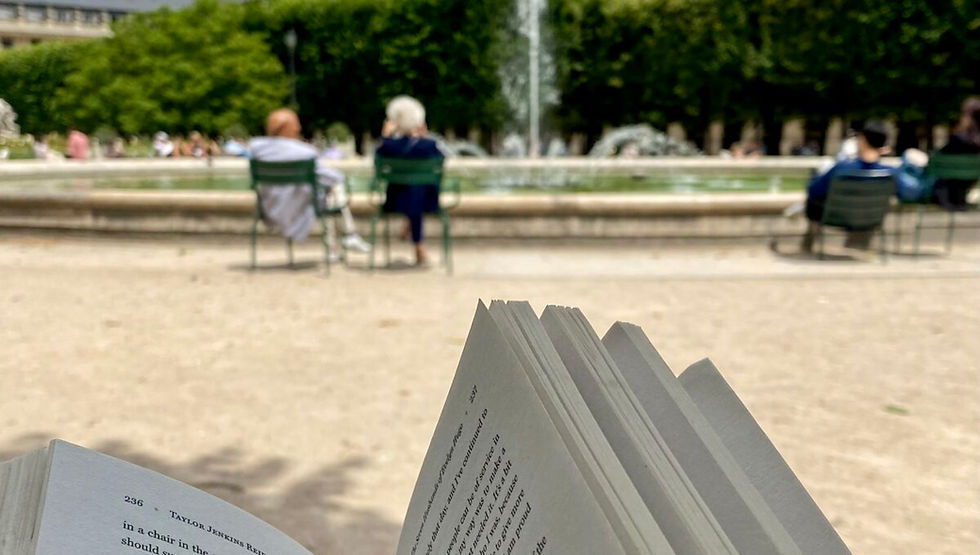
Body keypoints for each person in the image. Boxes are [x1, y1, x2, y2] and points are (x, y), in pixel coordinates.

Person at [249, 108, 370, 253]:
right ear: (284, 129)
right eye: (296, 125)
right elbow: (336, 177)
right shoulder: (303, 152)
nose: (299, 128)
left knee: (328, 189)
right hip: (298, 208)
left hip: (268, 208)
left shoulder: (257, 150)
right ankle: (346, 237)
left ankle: (337, 244)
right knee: (334, 188)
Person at [801, 120, 893, 252]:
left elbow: (813, 190)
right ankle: (858, 243)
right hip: (870, 218)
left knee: (813, 201)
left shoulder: (843, 168)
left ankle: (807, 246)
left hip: (835, 216)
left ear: (863, 140)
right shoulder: (888, 173)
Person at [376, 95, 443, 266]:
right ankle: (418, 243)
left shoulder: (389, 147)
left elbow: (377, 162)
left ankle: (411, 228)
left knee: (411, 190)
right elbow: (440, 164)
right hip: (428, 202)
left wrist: (385, 135)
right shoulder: (429, 146)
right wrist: (423, 136)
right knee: (417, 190)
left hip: (394, 201)